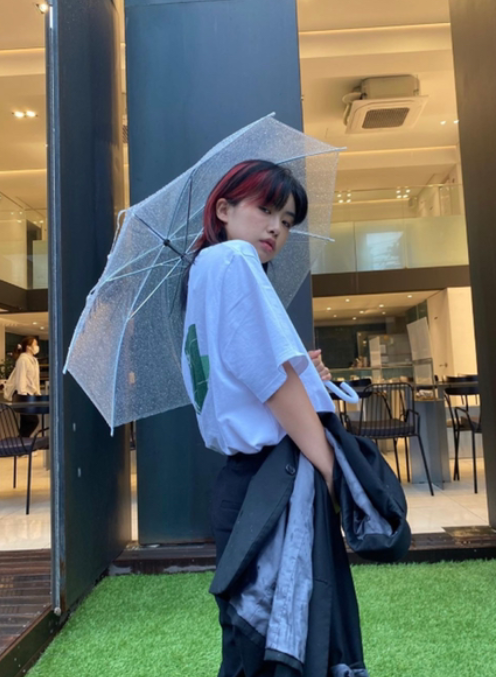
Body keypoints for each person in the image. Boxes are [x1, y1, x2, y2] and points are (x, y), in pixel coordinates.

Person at [181, 160, 366, 677]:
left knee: (249, 643)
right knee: (280, 643)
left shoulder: (202, 273)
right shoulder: (235, 259)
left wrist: (303, 372)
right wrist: (332, 471)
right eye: (265, 210)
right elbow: (272, 382)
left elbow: (253, 375)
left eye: (286, 221)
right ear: (223, 209)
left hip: (243, 483)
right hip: (272, 483)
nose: (276, 229)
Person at [4, 336, 41, 437]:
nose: (37, 347)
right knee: (32, 421)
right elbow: (21, 379)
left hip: (30, 395)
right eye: (35, 344)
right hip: (23, 394)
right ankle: (22, 441)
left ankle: (22, 443)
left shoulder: (34, 360)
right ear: (28, 347)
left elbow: (35, 379)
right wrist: (23, 396)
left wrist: (37, 393)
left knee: (25, 422)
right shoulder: (23, 360)